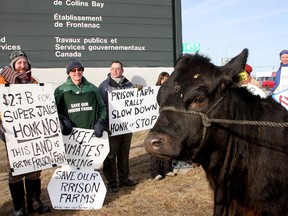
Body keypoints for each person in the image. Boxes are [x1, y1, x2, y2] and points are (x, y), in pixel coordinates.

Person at [0, 51, 50, 215]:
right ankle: (19, 208)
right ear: (13, 64)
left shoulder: (34, 82)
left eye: (25, 63)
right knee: (17, 170)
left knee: (35, 168)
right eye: (19, 63)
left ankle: (35, 203)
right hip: (12, 135)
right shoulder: (2, 81)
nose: (22, 66)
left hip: (33, 134)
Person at [99, 60, 138, 193]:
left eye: (118, 69)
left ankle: (124, 178)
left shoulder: (129, 85)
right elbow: (101, 107)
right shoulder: (104, 86)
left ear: (122, 71)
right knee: (110, 155)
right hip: (111, 128)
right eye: (113, 68)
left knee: (124, 153)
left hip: (127, 127)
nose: (115, 71)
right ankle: (112, 182)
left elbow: (135, 104)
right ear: (110, 70)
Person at [54, 59, 106, 138]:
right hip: (71, 137)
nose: (77, 72)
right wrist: (63, 120)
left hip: (91, 135)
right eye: (73, 70)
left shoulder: (92, 88)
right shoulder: (61, 90)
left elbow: (102, 107)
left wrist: (101, 121)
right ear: (69, 73)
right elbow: (54, 110)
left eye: (79, 69)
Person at [150, 72, 176, 180]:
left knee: (167, 145)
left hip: (168, 123)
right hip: (155, 123)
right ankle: (156, 172)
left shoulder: (173, 92)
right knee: (155, 147)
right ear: (159, 80)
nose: (165, 81)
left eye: (167, 79)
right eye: (162, 79)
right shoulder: (153, 92)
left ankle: (167, 169)